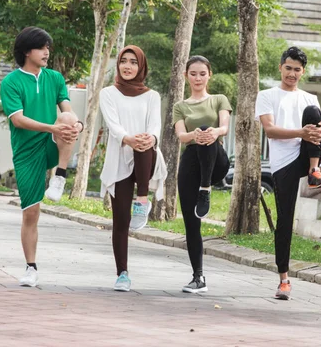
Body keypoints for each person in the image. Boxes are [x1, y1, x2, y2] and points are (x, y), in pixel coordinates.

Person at [0, 27, 84, 287]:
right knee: (31, 213)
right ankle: (31, 267)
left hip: (52, 144)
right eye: (41, 47)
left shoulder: (55, 78)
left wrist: (75, 125)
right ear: (27, 51)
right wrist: (52, 127)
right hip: (27, 153)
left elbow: (67, 111)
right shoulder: (11, 82)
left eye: (48, 47)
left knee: (70, 119)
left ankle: (60, 175)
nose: (47, 52)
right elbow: (19, 120)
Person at [255, 46, 321, 300]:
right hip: (283, 163)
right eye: (288, 68)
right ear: (280, 68)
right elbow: (270, 131)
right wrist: (303, 133)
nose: (292, 73)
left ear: (303, 71)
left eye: (297, 70)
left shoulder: (309, 97)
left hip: (306, 155)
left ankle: (314, 170)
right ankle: (284, 280)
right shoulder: (267, 95)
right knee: (285, 220)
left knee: (312, 114)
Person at [99, 45, 167, 292]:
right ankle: (122, 274)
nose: (127, 66)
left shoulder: (152, 96)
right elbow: (113, 125)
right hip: (119, 159)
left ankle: (142, 199)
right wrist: (128, 139)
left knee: (145, 142)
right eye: (123, 61)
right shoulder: (108, 93)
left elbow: (155, 127)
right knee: (120, 220)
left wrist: (150, 139)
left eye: (133, 62)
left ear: (141, 67)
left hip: (145, 159)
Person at [173, 55, 232, 293]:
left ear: (210, 76)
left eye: (202, 73)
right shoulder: (181, 106)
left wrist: (211, 133)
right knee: (191, 222)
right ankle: (198, 277)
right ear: (186, 76)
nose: (198, 78)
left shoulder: (219, 99)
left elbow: (224, 127)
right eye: (193, 73)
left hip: (216, 159)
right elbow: (181, 136)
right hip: (191, 160)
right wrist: (194, 135)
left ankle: (205, 189)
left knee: (209, 130)